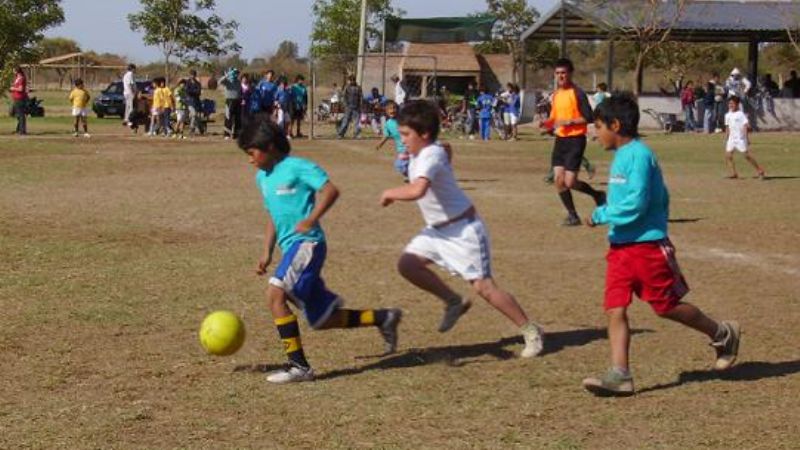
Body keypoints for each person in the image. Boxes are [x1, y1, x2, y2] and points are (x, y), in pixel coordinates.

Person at [582, 93, 741, 397]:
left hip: (647, 248)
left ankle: (721, 333)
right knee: (614, 307)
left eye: (599, 126)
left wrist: (601, 214)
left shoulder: (640, 155)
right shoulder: (621, 156)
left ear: (615, 125)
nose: (595, 132)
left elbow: (637, 204)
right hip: (619, 249)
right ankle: (620, 374)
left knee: (665, 307)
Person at [237, 116, 402, 384]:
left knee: (275, 295)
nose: (249, 159)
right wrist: (267, 251)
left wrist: (312, 219)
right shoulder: (262, 178)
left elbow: (331, 190)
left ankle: (299, 367)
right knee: (323, 319)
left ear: (268, 146)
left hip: (309, 244)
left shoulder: (297, 168)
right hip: (291, 248)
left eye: (251, 152)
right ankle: (383, 318)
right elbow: (272, 215)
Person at [379, 100, 545, 358]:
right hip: (437, 231)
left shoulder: (429, 155)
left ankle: (531, 330)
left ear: (423, 134)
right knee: (408, 264)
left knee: (484, 288)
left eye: (405, 135)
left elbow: (417, 190)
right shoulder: (428, 151)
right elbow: (447, 146)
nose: (402, 140)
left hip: (464, 231)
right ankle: (452, 301)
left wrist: (391, 193)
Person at [539, 58, 605, 226]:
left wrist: (569, 122)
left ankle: (597, 195)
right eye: (558, 73)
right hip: (560, 140)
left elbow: (588, 116)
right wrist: (546, 124)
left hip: (576, 139)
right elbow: (554, 118)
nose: (560, 76)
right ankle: (572, 215)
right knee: (558, 180)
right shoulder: (556, 95)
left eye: (564, 73)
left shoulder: (577, 93)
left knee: (569, 182)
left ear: (570, 74)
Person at [724, 96, 766, 180]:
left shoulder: (740, 114)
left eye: (732, 103)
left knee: (746, 156)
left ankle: (760, 170)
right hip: (731, 139)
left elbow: (746, 126)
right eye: (729, 103)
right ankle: (734, 173)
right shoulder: (727, 115)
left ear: (737, 104)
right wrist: (726, 138)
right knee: (728, 155)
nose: (730, 105)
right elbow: (727, 127)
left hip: (740, 138)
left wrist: (746, 137)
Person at [375, 100, 408, 180]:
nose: (392, 110)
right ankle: (408, 175)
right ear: (386, 112)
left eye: (394, 108)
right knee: (401, 165)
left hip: (409, 146)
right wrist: (380, 144)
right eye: (389, 109)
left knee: (403, 163)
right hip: (400, 148)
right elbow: (386, 135)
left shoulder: (403, 120)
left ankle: (411, 176)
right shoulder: (388, 124)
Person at [220, 67, 243, 139]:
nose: (235, 74)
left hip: (238, 100)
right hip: (229, 101)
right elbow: (220, 82)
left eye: (236, 73)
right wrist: (226, 76)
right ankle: (227, 134)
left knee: (237, 118)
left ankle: (236, 134)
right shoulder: (227, 81)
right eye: (234, 73)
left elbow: (240, 91)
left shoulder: (238, 82)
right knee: (228, 117)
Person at [9, 67, 28, 135]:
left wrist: (13, 88)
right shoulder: (17, 78)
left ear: (17, 71)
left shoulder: (21, 78)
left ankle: (22, 131)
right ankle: (18, 129)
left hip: (20, 98)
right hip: (16, 98)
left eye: (13, 70)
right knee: (16, 114)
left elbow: (21, 89)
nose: (13, 72)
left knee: (21, 115)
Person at [186, 69, 203, 135]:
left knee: (196, 116)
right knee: (194, 114)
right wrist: (194, 91)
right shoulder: (187, 83)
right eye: (191, 75)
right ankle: (192, 128)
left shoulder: (198, 83)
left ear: (195, 75)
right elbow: (187, 91)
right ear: (189, 75)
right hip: (190, 102)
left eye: (193, 75)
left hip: (196, 101)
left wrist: (193, 91)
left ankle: (199, 128)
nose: (192, 76)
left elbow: (199, 92)